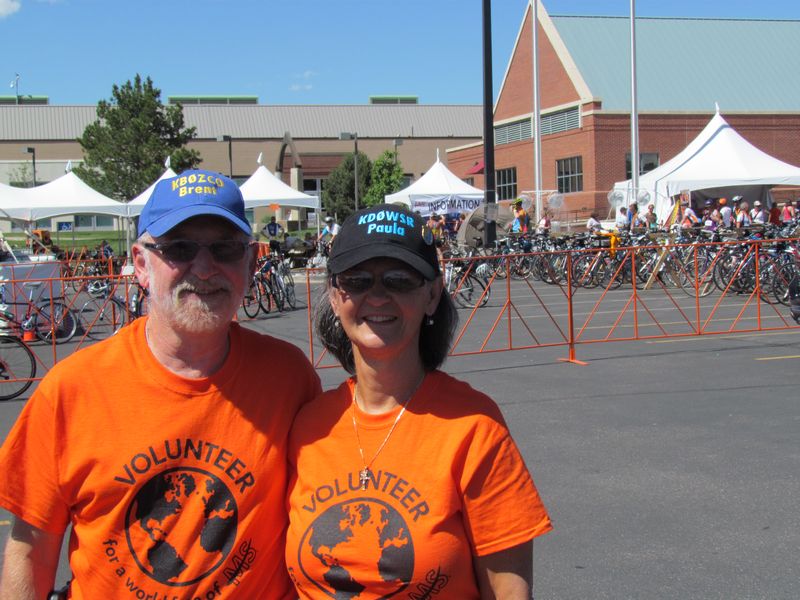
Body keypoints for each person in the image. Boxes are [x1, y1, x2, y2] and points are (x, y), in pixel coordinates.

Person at [0, 169, 321, 599]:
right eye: (179, 248)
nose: (204, 268)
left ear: (248, 262)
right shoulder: (73, 389)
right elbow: (29, 552)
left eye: (225, 248)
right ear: (140, 265)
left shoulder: (289, 377)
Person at [286, 204, 552, 598]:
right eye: (356, 280)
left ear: (431, 294)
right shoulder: (309, 426)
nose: (377, 296)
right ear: (334, 294)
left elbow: (508, 590)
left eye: (398, 279)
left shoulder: (474, 427)